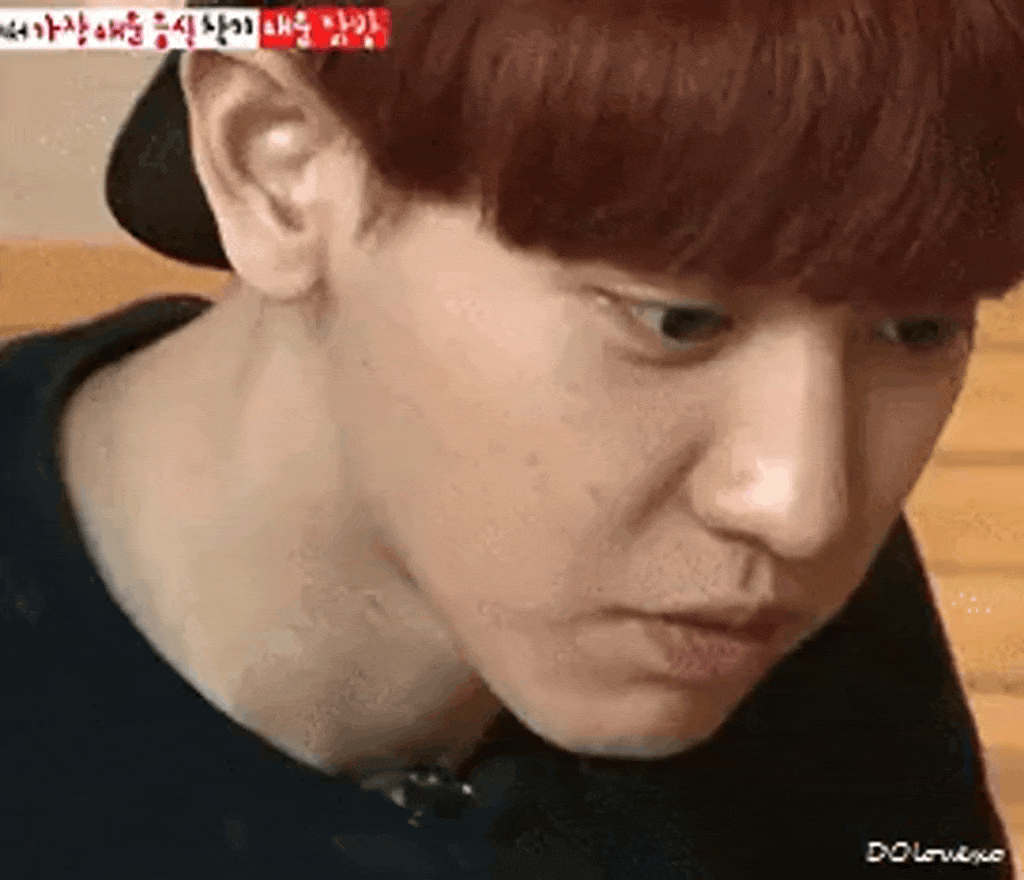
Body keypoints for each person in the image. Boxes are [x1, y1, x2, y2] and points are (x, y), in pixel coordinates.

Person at [3, 0, 1022, 876]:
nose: (807, 510)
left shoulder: (742, 592)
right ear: (279, 167)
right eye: (677, 320)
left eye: (916, 330)